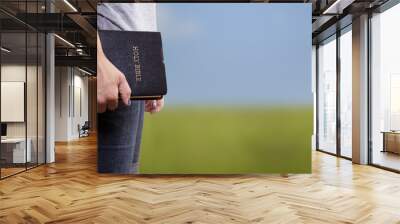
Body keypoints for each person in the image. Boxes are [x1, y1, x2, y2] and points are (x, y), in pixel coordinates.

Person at [97, 3, 164, 173]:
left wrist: (152, 66)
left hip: (134, 58)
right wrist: (98, 59)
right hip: (113, 59)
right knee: (113, 187)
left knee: (128, 175)